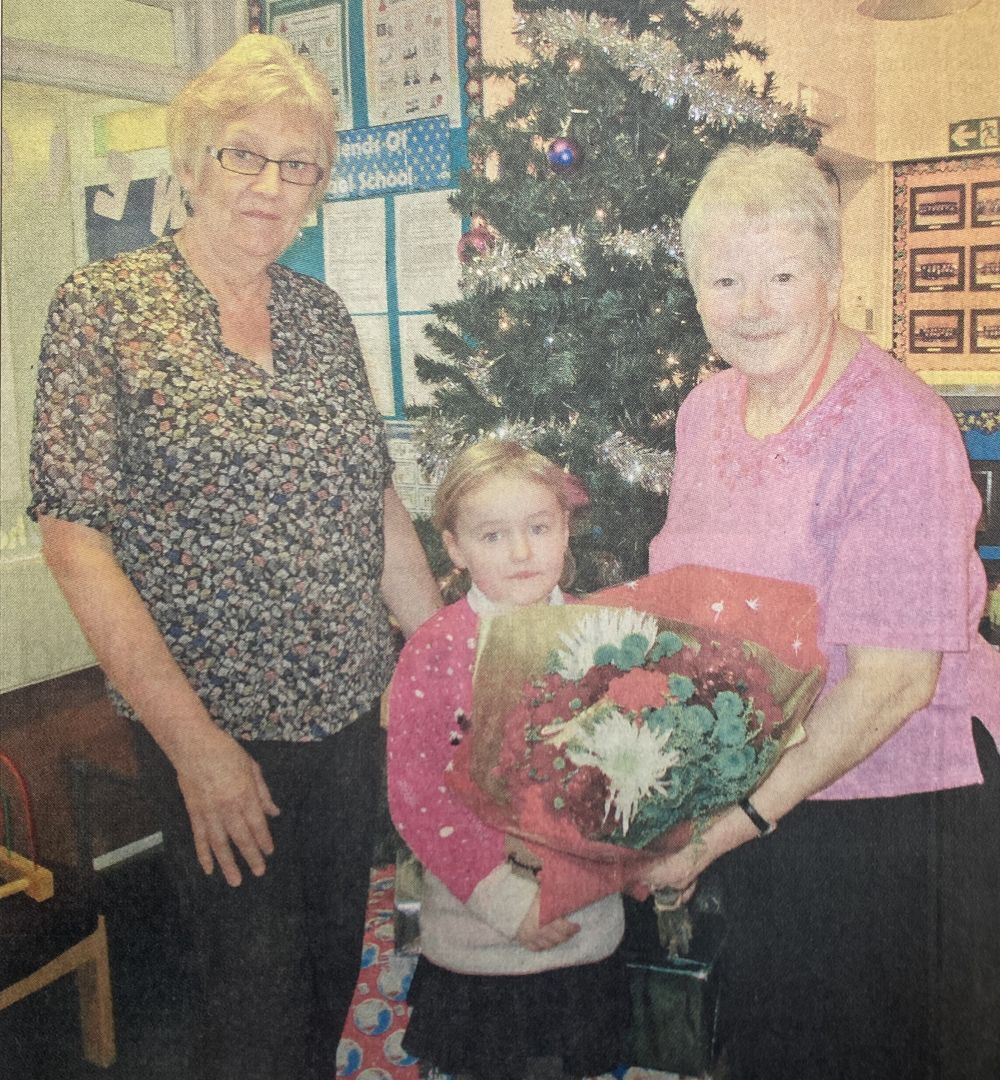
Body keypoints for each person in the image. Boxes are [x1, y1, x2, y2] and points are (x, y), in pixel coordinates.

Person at [27, 34, 441, 1080]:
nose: (271, 184)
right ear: (190, 165)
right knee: (253, 1014)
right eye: (243, 155)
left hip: (350, 716)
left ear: (319, 186)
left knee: (329, 984)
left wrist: (440, 658)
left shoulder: (320, 316)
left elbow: (376, 500)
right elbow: (74, 541)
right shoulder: (104, 310)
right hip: (220, 732)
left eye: (298, 163)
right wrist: (196, 747)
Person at [640, 143, 1000, 1080]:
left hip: (895, 803)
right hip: (768, 782)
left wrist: (731, 825)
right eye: (725, 278)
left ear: (833, 278)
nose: (751, 305)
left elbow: (893, 683)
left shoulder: (898, 427)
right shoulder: (705, 411)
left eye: (781, 274)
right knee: (773, 1035)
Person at [387, 440, 629, 1080]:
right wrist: (504, 899)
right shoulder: (436, 650)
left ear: (565, 529)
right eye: (493, 536)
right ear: (455, 547)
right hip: (481, 942)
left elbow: (628, 776)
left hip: (584, 930)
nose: (522, 553)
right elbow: (419, 796)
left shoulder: (604, 636)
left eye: (539, 528)